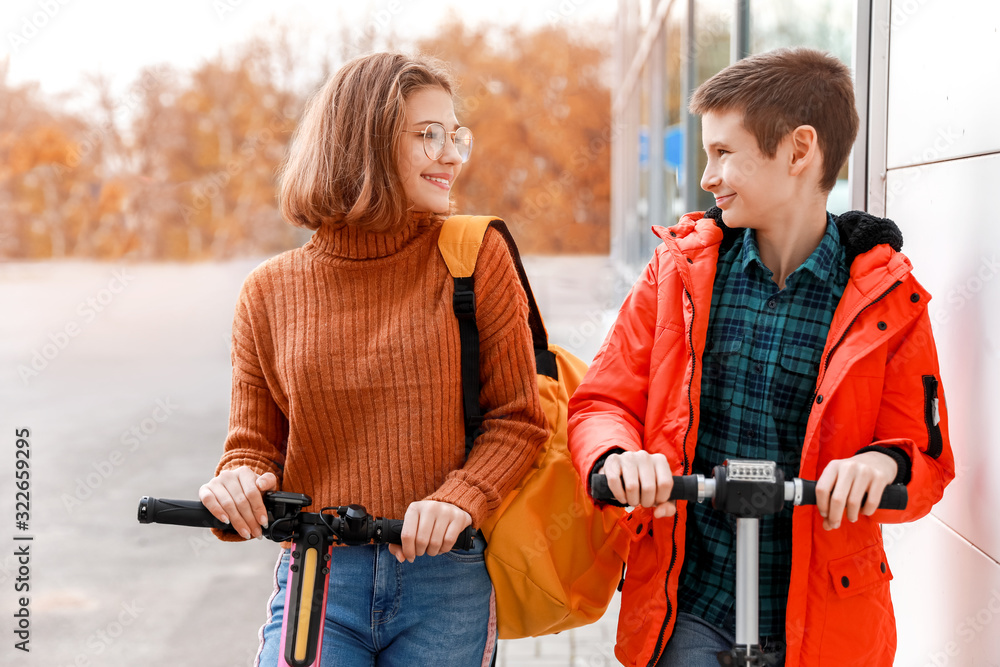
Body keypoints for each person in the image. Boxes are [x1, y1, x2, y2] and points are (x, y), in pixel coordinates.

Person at [567, 48, 954, 667]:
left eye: (724, 153)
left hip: (827, 624)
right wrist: (619, 457)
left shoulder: (888, 298)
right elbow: (602, 402)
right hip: (691, 606)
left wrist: (881, 466)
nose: (706, 176)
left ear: (799, 151)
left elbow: (924, 456)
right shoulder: (677, 274)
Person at [198, 52, 548, 666]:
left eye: (455, 134)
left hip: (446, 579)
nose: (453, 155)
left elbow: (517, 420)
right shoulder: (269, 290)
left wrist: (461, 497)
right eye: (429, 135)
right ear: (363, 142)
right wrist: (239, 484)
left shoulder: (475, 256)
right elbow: (253, 445)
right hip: (318, 575)